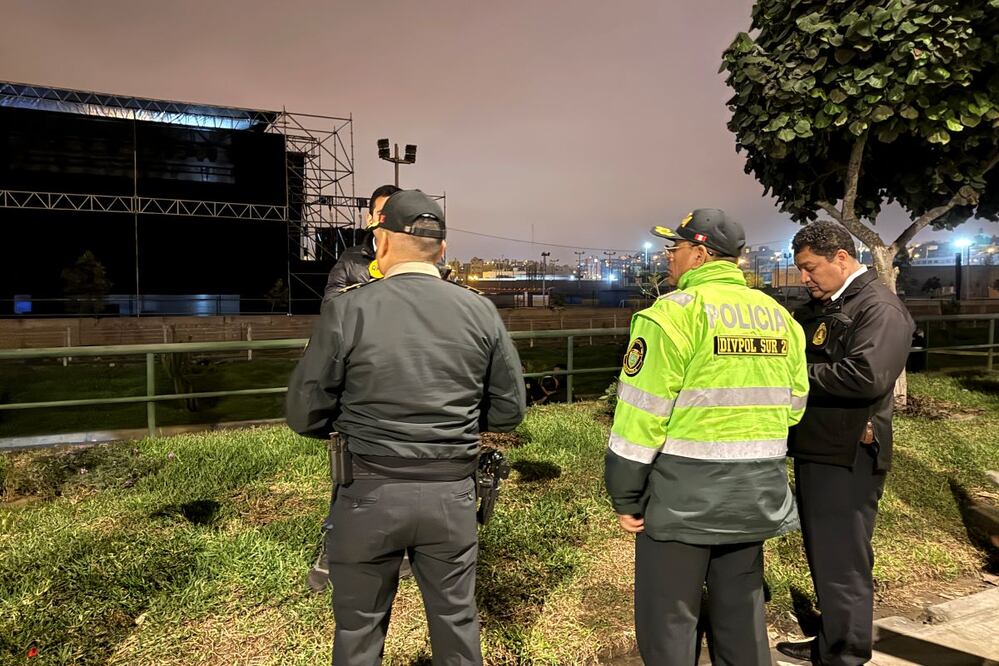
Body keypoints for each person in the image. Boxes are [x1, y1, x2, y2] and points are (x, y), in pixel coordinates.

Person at [287, 189, 526, 665]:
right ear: (441, 248)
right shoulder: (480, 310)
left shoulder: (349, 308)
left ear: (382, 242)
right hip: (452, 493)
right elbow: (509, 410)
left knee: (358, 628)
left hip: (367, 492)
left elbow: (304, 413)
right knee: (457, 623)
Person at [604, 208, 809, 666]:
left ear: (699, 254)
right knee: (742, 614)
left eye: (673, 249)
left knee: (670, 620)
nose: (667, 258)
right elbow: (794, 407)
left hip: (683, 499)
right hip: (757, 493)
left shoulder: (671, 316)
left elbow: (640, 419)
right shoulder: (779, 317)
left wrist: (626, 495)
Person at [776, 221, 914, 666]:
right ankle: (832, 640)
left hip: (849, 452)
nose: (804, 278)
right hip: (822, 447)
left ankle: (846, 654)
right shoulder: (834, 302)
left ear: (841, 257)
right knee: (827, 553)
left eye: (810, 268)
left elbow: (866, 376)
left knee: (843, 560)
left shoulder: (879, 307)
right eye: (799, 269)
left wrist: (792, 379)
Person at [309, 183, 401, 593]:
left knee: (402, 468)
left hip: (404, 382)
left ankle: (396, 550)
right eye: (382, 214)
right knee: (352, 474)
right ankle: (333, 552)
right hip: (361, 385)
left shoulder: (423, 263)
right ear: (370, 219)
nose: (389, 222)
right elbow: (333, 313)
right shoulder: (351, 263)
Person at [322, 184, 400, 302]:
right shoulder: (349, 259)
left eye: (395, 214)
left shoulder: (424, 258)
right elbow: (331, 304)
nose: (387, 220)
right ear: (369, 219)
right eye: (381, 214)